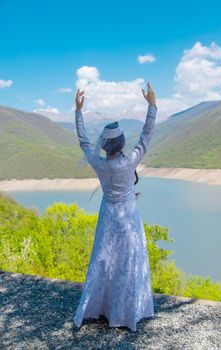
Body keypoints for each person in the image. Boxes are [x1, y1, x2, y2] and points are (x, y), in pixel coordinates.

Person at [73, 82, 157, 332]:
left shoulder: (98, 164)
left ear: (105, 145)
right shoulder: (130, 160)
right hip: (129, 217)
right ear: (121, 142)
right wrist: (152, 105)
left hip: (108, 217)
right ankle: (127, 313)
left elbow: (83, 141)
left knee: (104, 261)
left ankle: (101, 308)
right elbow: (146, 136)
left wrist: (78, 111)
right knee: (129, 261)